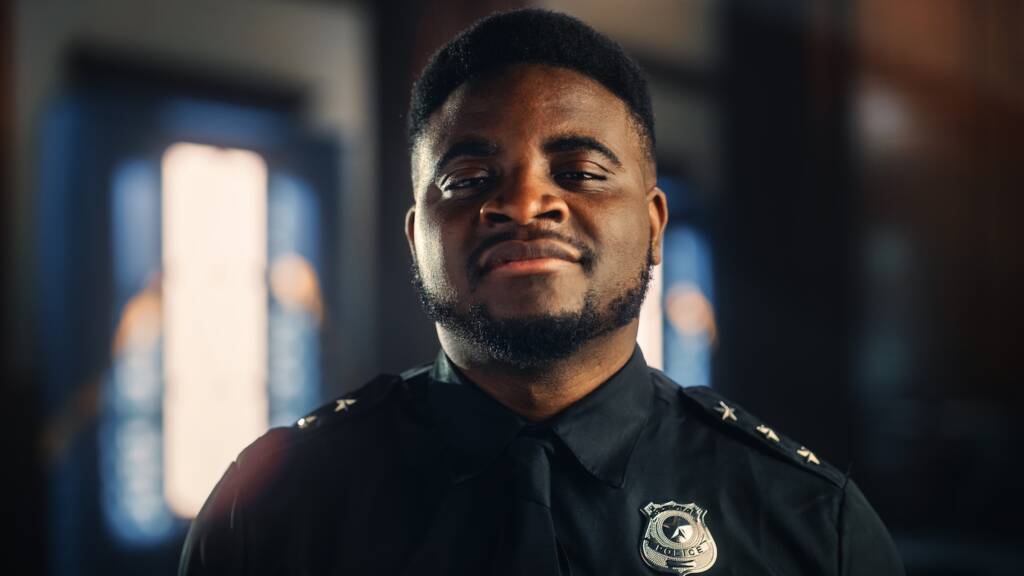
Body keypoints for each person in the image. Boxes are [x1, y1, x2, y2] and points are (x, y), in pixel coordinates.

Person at [179, 9, 904, 576]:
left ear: (654, 225)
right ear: (414, 238)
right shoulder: (270, 509)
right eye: (467, 181)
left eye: (580, 172)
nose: (525, 201)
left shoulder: (806, 522)